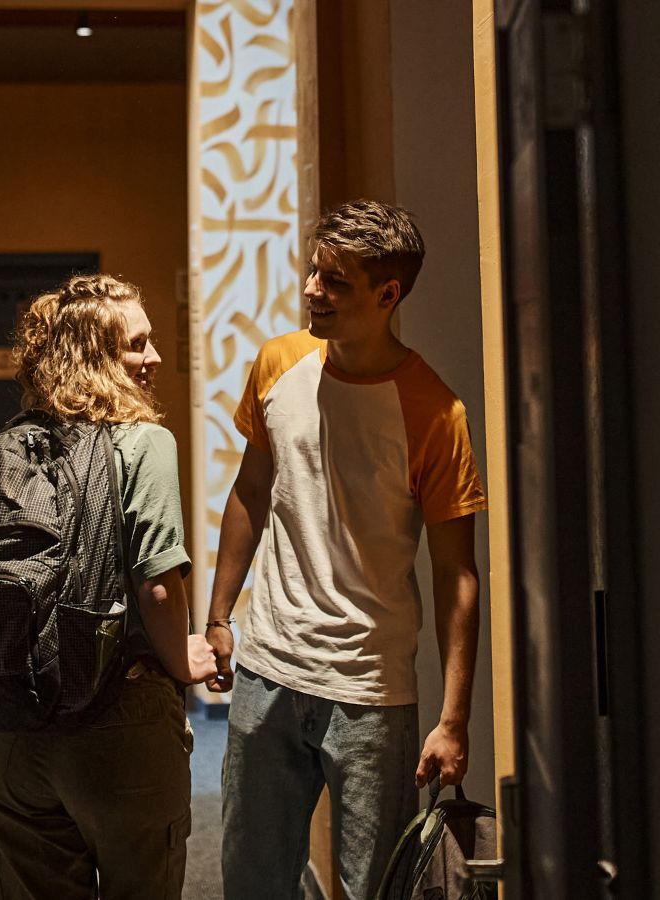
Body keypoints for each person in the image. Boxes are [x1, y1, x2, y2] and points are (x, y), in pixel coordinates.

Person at [204, 200, 487, 899]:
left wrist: (454, 721)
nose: (311, 290)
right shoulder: (278, 364)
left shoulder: (435, 413)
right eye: (312, 271)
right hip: (268, 669)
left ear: (387, 296)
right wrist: (218, 616)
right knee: (251, 882)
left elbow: (457, 575)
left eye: (335, 281)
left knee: (374, 889)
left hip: (369, 689)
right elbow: (250, 490)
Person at [0, 273, 217, 900]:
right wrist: (182, 657)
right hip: (115, 725)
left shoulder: (12, 444)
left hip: (8, 729)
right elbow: (159, 584)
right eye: (137, 345)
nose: (154, 358)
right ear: (97, 359)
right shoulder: (143, 443)